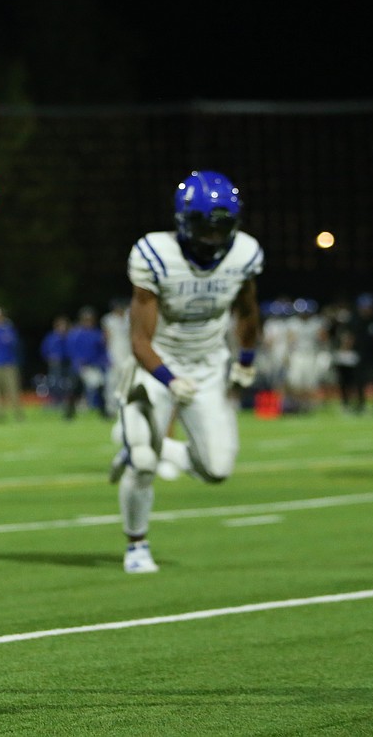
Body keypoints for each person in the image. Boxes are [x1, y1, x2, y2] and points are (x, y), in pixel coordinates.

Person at [109, 170, 262, 574]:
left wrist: (246, 361)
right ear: (181, 223)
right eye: (202, 226)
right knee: (143, 462)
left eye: (221, 227)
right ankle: (136, 545)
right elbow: (139, 340)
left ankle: (142, 441)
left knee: (216, 470)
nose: (212, 238)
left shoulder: (245, 253)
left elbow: (247, 312)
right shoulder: (155, 255)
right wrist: (170, 379)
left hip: (209, 365)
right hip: (157, 362)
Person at [63, 305, 108, 419]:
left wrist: (103, 361)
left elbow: (101, 350)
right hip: (80, 366)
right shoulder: (76, 333)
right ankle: (69, 413)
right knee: (75, 390)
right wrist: (77, 363)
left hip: (93, 366)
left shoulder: (96, 333)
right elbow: (71, 349)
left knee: (100, 388)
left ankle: (103, 412)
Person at [40, 314, 72, 410]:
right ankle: (55, 401)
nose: (63, 328)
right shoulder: (51, 337)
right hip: (55, 364)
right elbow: (44, 349)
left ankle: (66, 402)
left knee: (67, 383)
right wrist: (49, 357)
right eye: (61, 325)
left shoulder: (69, 337)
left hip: (67, 363)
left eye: (64, 325)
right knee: (54, 382)